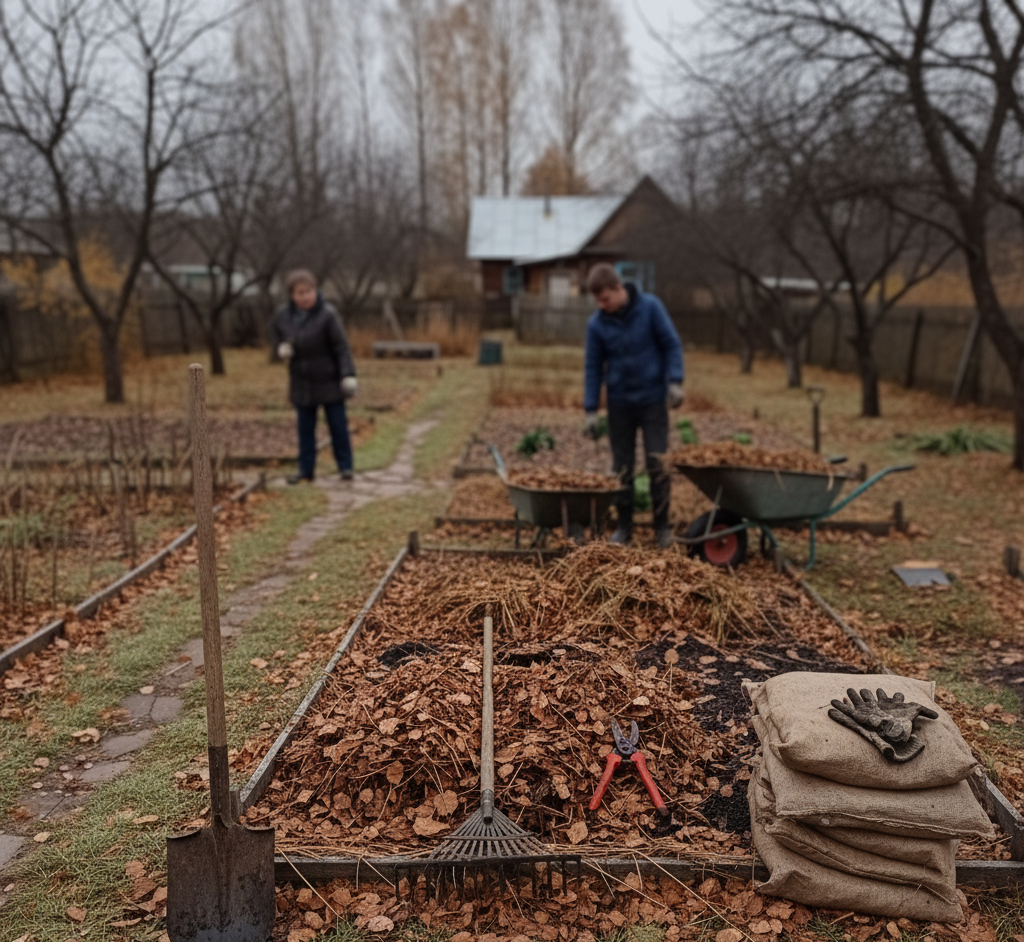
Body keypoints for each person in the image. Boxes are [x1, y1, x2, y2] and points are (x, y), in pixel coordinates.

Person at [583, 263, 684, 548]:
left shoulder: (651, 308)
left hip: (652, 400)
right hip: (620, 405)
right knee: (622, 467)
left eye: (605, 299)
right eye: (598, 302)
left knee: (658, 464)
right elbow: (592, 367)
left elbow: (671, 345)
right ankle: (624, 527)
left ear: (618, 288)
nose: (602, 306)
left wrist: (675, 380)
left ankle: (662, 528)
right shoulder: (597, 324)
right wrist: (591, 409)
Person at [270, 269, 357, 483]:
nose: (305, 296)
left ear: (316, 291)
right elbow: (275, 338)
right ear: (292, 295)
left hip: (329, 381)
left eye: (309, 291)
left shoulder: (328, 315)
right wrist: (280, 349)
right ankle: (305, 472)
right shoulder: (283, 316)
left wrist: (347, 374)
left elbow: (341, 347)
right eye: (300, 293)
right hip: (302, 383)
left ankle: (345, 468)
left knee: (338, 427)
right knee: (305, 431)